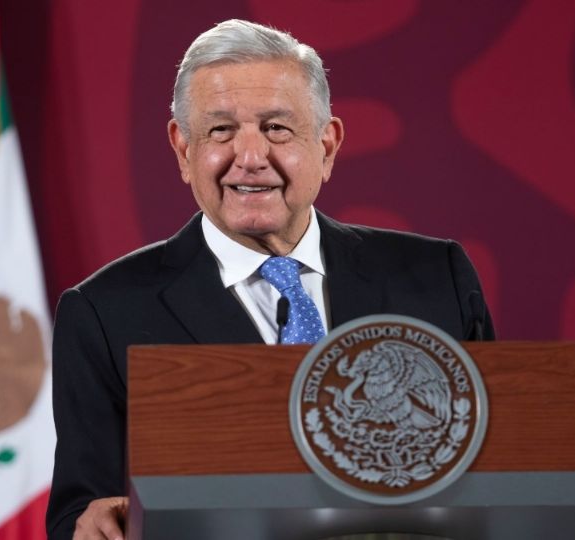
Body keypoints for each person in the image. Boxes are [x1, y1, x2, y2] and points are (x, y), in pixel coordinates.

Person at [46, 19, 498, 540]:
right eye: (220, 131)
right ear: (182, 150)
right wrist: (98, 522)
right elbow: (78, 516)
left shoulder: (435, 278)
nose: (251, 157)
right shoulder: (104, 313)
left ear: (327, 146)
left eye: (277, 128)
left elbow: (502, 469)